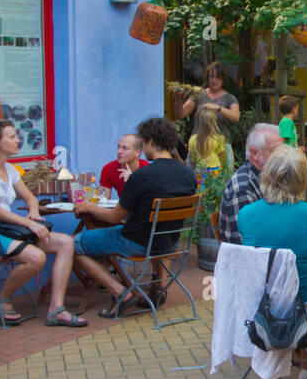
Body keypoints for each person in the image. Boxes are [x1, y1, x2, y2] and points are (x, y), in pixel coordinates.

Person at [0, 120, 85, 327]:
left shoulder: (11, 169)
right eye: (11, 137)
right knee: (36, 257)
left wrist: (33, 212)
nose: (18, 140)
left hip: (8, 231)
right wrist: (29, 224)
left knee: (66, 242)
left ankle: (56, 308)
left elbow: (30, 199)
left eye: (16, 136)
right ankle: (3, 297)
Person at [73, 117, 197, 315]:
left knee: (74, 244)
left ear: (151, 142)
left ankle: (121, 291)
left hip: (136, 242)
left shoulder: (142, 175)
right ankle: (158, 288)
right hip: (170, 242)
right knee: (143, 234)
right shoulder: (187, 174)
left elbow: (114, 217)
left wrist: (88, 207)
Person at [220, 124, 307, 290]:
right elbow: (245, 250)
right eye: (275, 151)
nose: (283, 156)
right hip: (262, 277)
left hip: (283, 262)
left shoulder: (267, 183)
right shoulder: (243, 189)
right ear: (254, 154)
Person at [238, 146, 307, 331]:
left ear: (267, 176)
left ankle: (298, 345)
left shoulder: (245, 215)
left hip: (263, 308)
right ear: (302, 180)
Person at [179, 60, 241, 127]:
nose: (214, 80)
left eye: (217, 77)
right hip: (199, 136)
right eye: (211, 76)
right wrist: (178, 98)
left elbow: (236, 117)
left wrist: (218, 108)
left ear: (223, 79)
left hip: (220, 137)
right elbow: (181, 114)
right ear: (207, 78)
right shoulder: (198, 94)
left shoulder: (230, 98)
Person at [186, 106, 233, 175]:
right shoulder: (218, 139)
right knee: (215, 186)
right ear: (213, 123)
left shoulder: (193, 139)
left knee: (202, 186)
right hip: (215, 171)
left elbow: (192, 161)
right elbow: (223, 158)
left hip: (200, 171)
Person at [99, 132, 147, 198]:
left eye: (124, 148)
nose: (118, 151)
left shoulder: (147, 170)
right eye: (118, 147)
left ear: (137, 152)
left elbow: (146, 202)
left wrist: (132, 182)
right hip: (121, 207)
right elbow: (104, 200)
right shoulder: (108, 169)